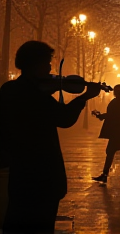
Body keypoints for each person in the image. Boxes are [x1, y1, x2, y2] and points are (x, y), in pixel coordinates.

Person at [0, 41, 101, 234]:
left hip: (19, 171)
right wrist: (83, 97)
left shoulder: (9, 90)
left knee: (16, 220)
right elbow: (63, 118)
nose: (49, 68)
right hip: (41, 174)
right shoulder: (34, 95)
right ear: (34, 64)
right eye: (46, 63)